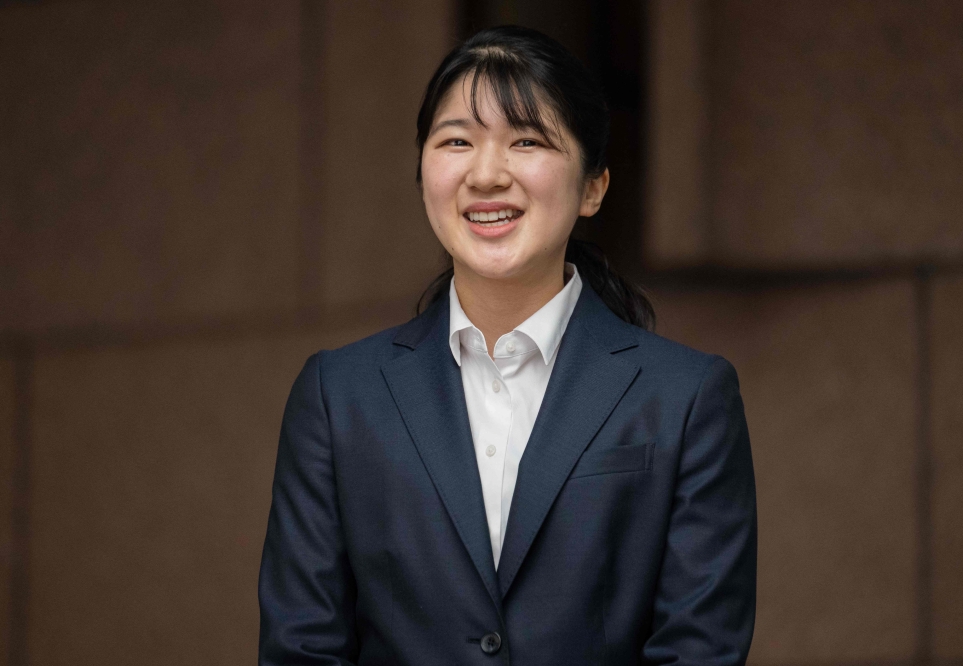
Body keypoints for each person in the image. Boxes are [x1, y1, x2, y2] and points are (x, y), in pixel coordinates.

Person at [258, 25, 756, 665]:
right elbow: (302, 649)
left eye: (527, 141)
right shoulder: (338, 396)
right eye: (457, 140)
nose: (486, 174)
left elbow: (699, 652)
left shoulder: (686, 399)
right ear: (422, 174)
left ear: (594, 186)